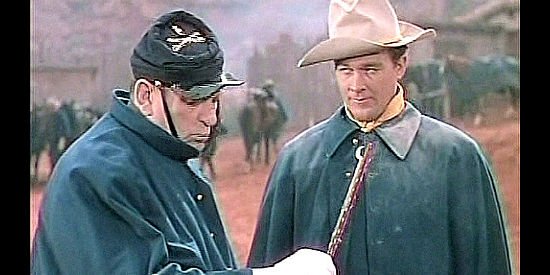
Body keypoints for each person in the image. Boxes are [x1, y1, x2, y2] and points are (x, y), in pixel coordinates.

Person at [31, 10, 336, 275]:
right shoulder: (92, 174)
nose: (212, 118)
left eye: (215, 99)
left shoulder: (174, 152)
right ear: (146, 96)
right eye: (193, 101)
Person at [247, 0, 513, 274]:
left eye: (370, 69)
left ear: (400, 65)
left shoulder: (455, 156)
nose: (356, 85)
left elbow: (486, 264)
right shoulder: (298, 162)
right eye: (345, 70)